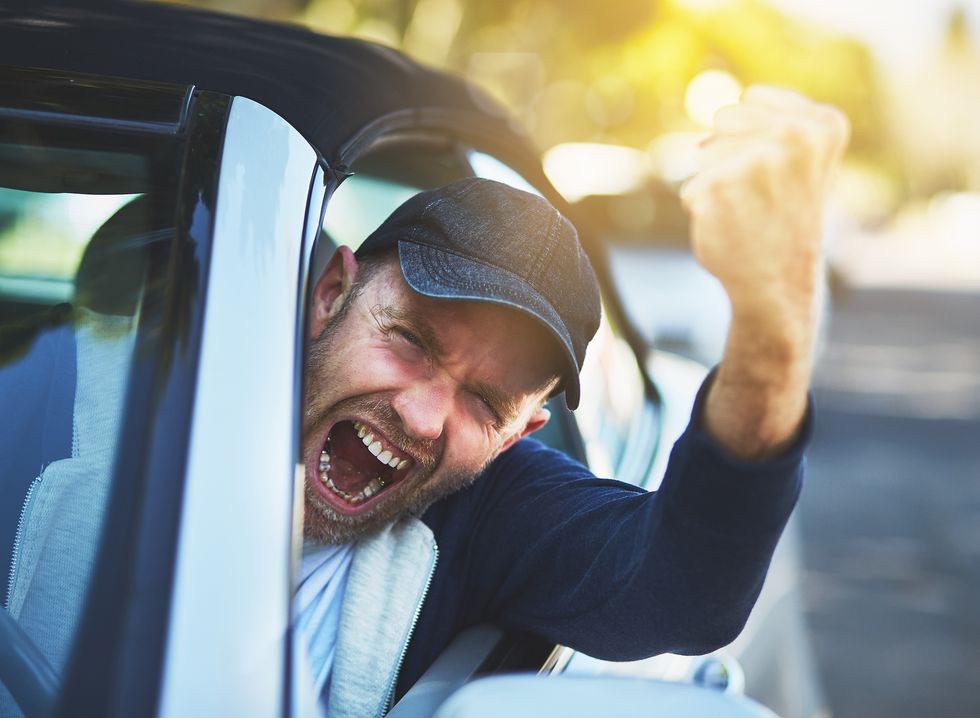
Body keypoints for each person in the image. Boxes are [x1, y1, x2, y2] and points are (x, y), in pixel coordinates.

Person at [295, 85, 849, 717]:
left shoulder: (490, 513)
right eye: (411, 342)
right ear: (332, 294)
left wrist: (772, 327)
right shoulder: (196, 349)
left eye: (484, 402)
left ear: (517, 435)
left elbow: (684, 586)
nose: (421, 418)